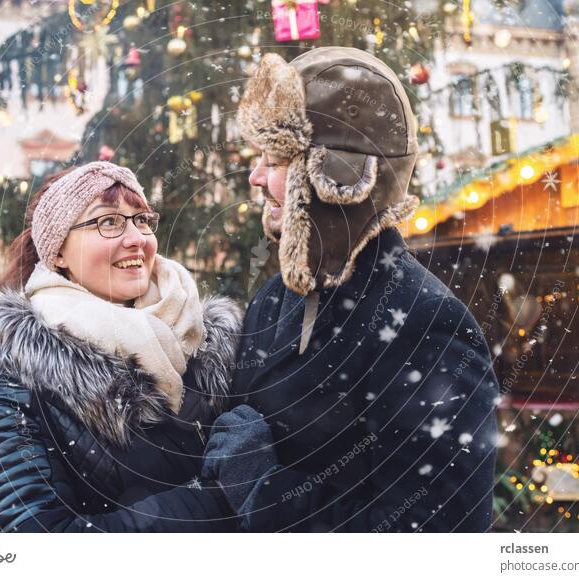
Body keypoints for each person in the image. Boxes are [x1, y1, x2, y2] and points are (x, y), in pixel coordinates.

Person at [202, 47, 500, 532]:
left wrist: (264, 489)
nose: (255, 177)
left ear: (333, 174)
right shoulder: (274, 298)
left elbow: (434, 534)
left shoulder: (425, 323)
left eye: (276, 158)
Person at [0, 162, 242, 532]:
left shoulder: (212, 342)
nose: (137, 238)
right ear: (58, 254)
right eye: (108, 222)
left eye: (141, 219)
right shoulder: (15, 384)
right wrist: (210, 501)